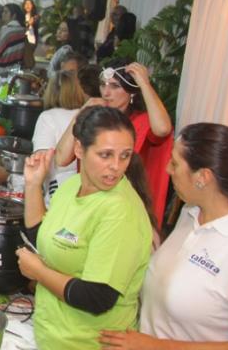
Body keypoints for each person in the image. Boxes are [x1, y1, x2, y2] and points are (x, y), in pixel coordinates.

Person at [16, 106, 154, 350]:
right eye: (105, 155)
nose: (115, 167)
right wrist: (33, 185)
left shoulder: (119, 211)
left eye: (124, 156)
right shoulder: (71, 186)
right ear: (79, 148)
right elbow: (45, 239)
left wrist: (38, 272)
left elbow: (97, 297)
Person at [101, 123, 228, 350]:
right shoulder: (189, 214)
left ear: (203, 177)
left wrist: (155, 348)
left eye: (176, 163)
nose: (167, 169)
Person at [54, 59, 173, 226]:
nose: (106, 93)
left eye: (115, 86)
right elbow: (61, 158)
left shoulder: (143, 121)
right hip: (89, 207)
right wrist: (81, 113)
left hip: (126, 213)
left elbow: (162, 129)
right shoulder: (94, 119)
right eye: (103, 84)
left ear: (132, 92)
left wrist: (144, 84)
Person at [32, 70, 87, 204]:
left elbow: (41, 160)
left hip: (57, 190)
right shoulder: (87, 114)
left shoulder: (48, 117)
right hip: (84, 189)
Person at [0, 3, 31, 73]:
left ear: (14, 15)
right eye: (3, 12)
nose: (3, 14)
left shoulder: (5, 30)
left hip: (1, 69)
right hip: (17, 69)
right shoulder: (23, 30)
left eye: (6, 12)